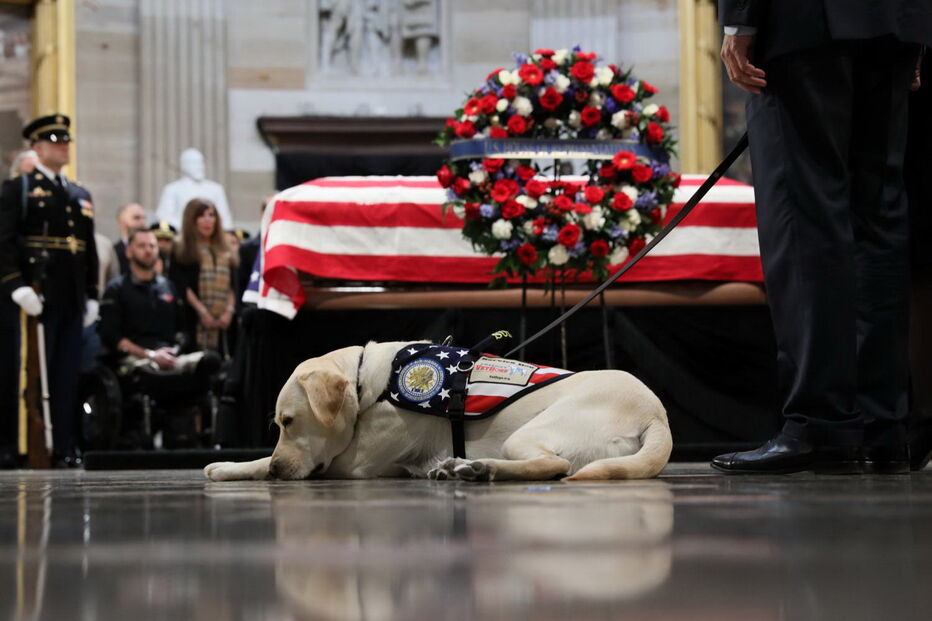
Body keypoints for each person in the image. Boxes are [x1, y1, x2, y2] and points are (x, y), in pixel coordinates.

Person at [713, 2, 932, 475]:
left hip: (803, 20)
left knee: (804, 217)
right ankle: (882, 428)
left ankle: (822, 424)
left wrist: (741, 19)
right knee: (879, 219)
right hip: (895, 23)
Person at [0, 114, 100, 467]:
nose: (64, 146)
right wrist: (16, 284)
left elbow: (87, 248)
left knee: (66, 371)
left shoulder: (78, 194)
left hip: (71, 293)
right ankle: (12, 446)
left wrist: (92, 293)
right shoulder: (21, 189)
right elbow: (6, 241)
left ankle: (65, 446)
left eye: (66, 141)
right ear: (38, 149)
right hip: (37, 292)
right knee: (24, 371)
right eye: (55, 141)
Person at [98, 228, 220, 444]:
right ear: (129, 252)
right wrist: (150, 355)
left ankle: (204, 435)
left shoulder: (168, 286)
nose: (148, 251)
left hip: (171, 356)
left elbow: (183, 331)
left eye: (152, 246)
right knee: (146, 373)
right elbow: (112, 336)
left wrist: (174, 351)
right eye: (142, 246)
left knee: (211, 361)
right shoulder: (116, 289)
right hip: (137, 359)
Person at [169, 198, 237, 358]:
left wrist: (228, 311)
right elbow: (181, 284)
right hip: (194, 318)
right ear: (192, 220)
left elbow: (234, 284)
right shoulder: (181, 247)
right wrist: (202, 312)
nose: (208, 220)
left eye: (211, 215)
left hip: (225, 320)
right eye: (202, 216)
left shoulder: (226, 247)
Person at [155, 149, 233, 232]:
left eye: (200, 162)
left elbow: (225, 219)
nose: (199, 166)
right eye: (193, 162)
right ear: (184, 165)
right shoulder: (172, 189)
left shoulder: (215, 189)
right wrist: (191, 229)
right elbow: (164, 216)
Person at [113, 203, 146, 275]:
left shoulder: (152, 251)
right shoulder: (113, 252)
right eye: (136, 218)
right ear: (121, 222)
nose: (142, 222)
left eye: (144, 218)